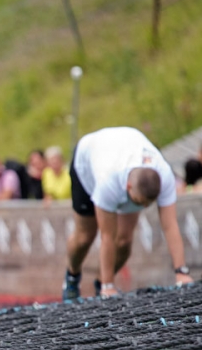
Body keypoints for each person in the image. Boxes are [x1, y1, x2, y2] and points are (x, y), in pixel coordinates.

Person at [62, 126, 194, 300]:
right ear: (128, 187)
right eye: (140, 203)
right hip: (87, 163)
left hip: (123, 153)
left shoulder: (165, 176)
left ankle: (100, 282)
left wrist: (181, 272)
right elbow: (107, 236)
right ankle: (72, 277)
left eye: (149, 204)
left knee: (124, 242)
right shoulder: (108, 181)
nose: (144, 207)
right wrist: (108, 287)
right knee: (85, 237)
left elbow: (170, 225)